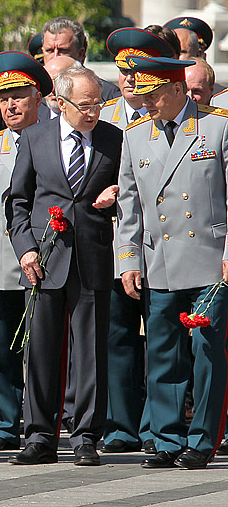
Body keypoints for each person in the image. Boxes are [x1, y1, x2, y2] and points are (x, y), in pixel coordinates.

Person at [116, 55, 228, 469]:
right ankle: (164, 439)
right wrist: (128, 259)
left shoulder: (217, 126)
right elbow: (129, 206)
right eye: (141, 95)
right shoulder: (136, 135)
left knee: (207, 353)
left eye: (153, 95)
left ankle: (201, 440)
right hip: (158, 260)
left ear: (178, 90)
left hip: (210, 262)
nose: (145, 103)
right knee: (162, 354)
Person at [8, 66, 122, 466]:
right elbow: (17, 201)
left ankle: (86, 435)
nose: (93, 112)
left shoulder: (113, 139)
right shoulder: (35, 138)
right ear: (59, 102)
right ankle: (39, 435)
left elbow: (133, 192)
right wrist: (25, 249)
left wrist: (118, 193)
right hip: (44, 259)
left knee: (89, 351)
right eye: (85, 105)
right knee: (39, 350)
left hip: (93, 257)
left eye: (98, 104)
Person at [95, 28, 177, 456]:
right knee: (118, 333)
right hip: (113, 239)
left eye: (139, 70)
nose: (129, 79)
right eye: (125, 70)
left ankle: (156, 426)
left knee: (163, 334)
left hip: (166, 241)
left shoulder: (177, 117)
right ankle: (122, 423)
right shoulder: (102, 114)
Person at [0, 51, 52, 452]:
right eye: (3, 98)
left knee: (46, 347)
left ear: (38, 97)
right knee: (2, 347)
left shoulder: (58, 137)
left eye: (19, 96)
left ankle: (46, 421)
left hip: (51, 260)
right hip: (1, 261)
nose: (10, 105)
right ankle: (2, 425)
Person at [41, 17, 120, 101]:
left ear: (80, 54)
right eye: (49, 51)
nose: (55, 57)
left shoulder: (108, 95)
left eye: (63, 51)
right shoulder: (34, 97)